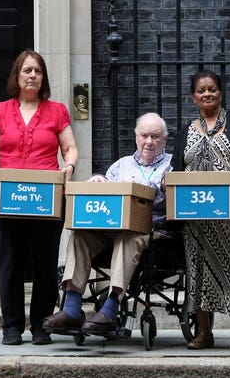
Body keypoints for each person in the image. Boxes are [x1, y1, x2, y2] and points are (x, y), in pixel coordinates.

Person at [42, 112, 172, 336]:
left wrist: (140, 188)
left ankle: (111, 307)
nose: (149, 141)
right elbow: (106, 195)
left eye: (155, 136)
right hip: (111, 229)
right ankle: (72, 308)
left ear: (164, 140)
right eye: (144, 135)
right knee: (80, 235)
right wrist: (98, 181)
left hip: (148, 231)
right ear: (136, 137)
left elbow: (167, 200)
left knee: (128, 237)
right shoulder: (121, 165)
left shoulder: (170, 166)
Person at [0, 49, 78, 346]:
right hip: (7, 196)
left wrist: (69, 167)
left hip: (46, 197)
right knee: (9, 262)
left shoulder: (57, 110)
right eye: (27, 70)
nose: (32, 75)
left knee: (45, 264)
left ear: (43, 77)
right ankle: (11, 326)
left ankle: (40, 325)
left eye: (37, 71)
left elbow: (70, 148)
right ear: (17, 76)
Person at [171, 69, 230, 351]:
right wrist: (166, 183)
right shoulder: (185, 131)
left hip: (229, 215)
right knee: (199, 273)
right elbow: (177, 170)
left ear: (221, 93)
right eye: (201, 90)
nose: (207, 94)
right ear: (193, 97)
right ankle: (204, 331)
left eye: (212, 89)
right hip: (195, 217)